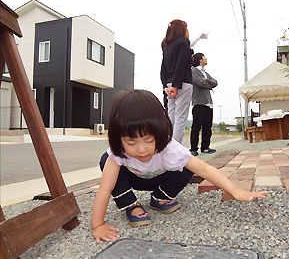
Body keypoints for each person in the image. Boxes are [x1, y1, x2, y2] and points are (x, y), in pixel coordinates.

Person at [91, 89, 268, 243]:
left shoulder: (169, 148)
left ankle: (160, 198)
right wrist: (97, 225)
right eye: (131, 142)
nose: (141, 149)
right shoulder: (118, 152)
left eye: (149, 140)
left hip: (159, 178)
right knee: (105, 160)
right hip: (133, 179)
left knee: (188, 164)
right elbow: (105, 188)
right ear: (118, 138)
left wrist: (234, 191)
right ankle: (131, 205)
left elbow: (204, 169)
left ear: (160, 131)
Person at [160, 19, 193, 144]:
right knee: (180, 119)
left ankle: (167, 147)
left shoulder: (165, 44)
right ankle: (174, 151)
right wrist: (176, 85)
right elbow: (181, 64)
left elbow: (163, 67)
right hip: (182, 83)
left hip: (169, 84)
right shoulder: (184, 42)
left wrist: (165, 85)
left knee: (171, 118)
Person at [190, 53, 218, 156]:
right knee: (196, 127)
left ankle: (205, 147)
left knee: (207, 127)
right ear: (200, 60)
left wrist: (208, 81)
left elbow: (215, 83)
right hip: (199, 102)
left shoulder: (205, 73)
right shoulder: (194, 71)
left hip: (208, 103)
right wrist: (208, 84)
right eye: (204, 57)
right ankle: (193, 149)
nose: (206, 58)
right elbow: (200, 83)